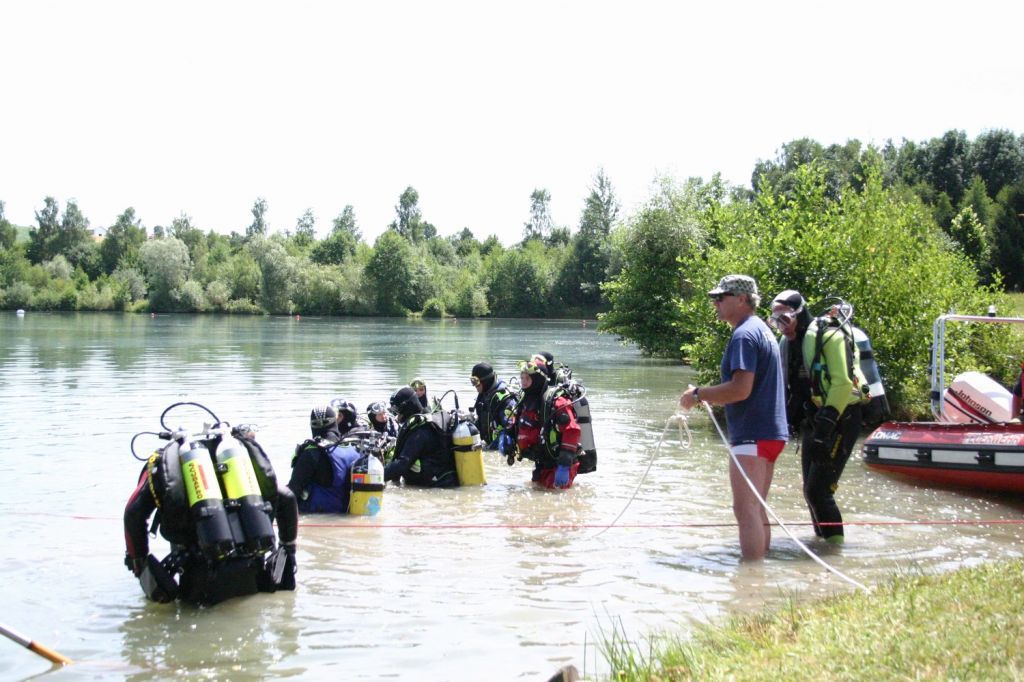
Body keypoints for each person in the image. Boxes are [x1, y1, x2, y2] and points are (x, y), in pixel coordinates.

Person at [123, 426, 299, 605]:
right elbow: (287, 497)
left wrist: (140, 565)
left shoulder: (173, 463)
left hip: (199, 577)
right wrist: (288, 550)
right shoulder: (238, 462)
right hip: (252, 569)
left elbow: (133, 513)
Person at [679, 274, 788, 561]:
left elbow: (741, 389)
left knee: (745, 509)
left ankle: (750, 577)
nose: (715, 303)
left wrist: (698, 395)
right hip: (771, 434)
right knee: (757, 507)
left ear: (742, 300)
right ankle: (759, 575)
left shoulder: (744, 335)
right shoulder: (762, 329)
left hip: (752, 435)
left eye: (720, 298)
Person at [799, 300, 868, 545]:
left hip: (840, 418)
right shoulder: (793, 342)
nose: (781, 324)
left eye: (785, 317)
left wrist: (824, 429)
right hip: (816, 419)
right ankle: (821, 544)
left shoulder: (829, 334)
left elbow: (843, 382)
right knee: (809, 491)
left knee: (819, 492)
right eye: (776, 319)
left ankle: (834, 554)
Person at [512, 356, 583, 489]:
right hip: (542, 463)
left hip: (560, 464)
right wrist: (508, 437)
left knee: (556, 496)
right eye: (522, 378)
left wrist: (564, 465)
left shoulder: (556, 402)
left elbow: (572, 430)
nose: (523, 383)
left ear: (537, 380)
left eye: (527, 379)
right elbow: (518, 424)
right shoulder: (525, 401)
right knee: (536, 493)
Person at [288, 404, 361, 513]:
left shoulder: (311, 453)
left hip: (316, 516)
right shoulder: (353, 449)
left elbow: (292, 491)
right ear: (335, 422)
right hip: (348, 512)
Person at [383, 386, 459, 487]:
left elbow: (402, 464)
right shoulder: (428, 419)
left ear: (407, 407)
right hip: (445, 478)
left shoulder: (419, 431)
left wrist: (376, 476)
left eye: (397, 410)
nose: (397, 415)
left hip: (437, 485)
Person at [769, 290, 814, 436]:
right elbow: (782, 386)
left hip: (832, 414)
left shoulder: (820, 339)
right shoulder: (785, 344)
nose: (782, 328)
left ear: (799, 314)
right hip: (804, 412)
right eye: (777, 322)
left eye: (785, 319)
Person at [471, 362, 518, 456]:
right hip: (489, 443)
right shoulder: (484, 394)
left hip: (500, 448)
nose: (474, 386)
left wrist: (487, 449)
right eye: (472, 382)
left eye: (476, 382)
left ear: (486, 381)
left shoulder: (505, 400)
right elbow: (481, 422)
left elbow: (510, 432)